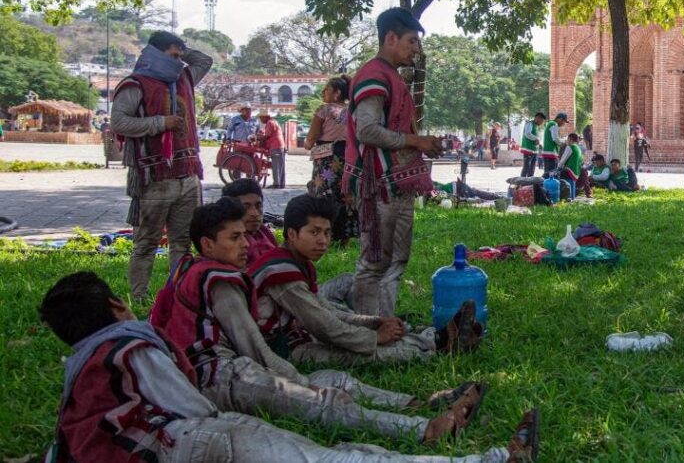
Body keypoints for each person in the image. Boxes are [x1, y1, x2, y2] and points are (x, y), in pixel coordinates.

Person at [39, 272, 539, 463]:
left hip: (196, 422)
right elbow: (227, 366)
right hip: (195, 423)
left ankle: (426, 419)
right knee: (325, 432)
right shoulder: (134, 340)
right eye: (239, 229)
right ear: (116, 307)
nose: (249, 235)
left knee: (331, 414)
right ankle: (486, 457)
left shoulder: (81, 365)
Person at [161, 197, 484, 445]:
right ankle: (427, 421)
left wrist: (372, 324)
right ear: (207, 244)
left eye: (245, 236)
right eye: (235, 238)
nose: (246, 245)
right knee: (322, 398)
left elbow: (323, 312)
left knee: (337, 380)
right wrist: (301, 379)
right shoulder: (222, 279)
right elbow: (260, 347)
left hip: (239, 364)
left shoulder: (202, 269)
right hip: (222, 372)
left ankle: (416, 403)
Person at [250, 195, 481, 370]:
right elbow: (324, 325)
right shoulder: (281, 271)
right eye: (314, 232)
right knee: (361, 352)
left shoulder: (300, 263)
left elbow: (326, 310)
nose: (323, 241)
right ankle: (437, 347)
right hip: (278, 350)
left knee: (366, 333)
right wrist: (373, 337)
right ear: (291, 234)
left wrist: (373, 322)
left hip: (297, 334)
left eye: (328, 233)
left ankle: (438, 336)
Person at [345, 7, 442, 317]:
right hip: (378, 186)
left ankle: (385, 323)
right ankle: (366, 328)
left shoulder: (393, 77)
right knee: (374, 262)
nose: (417, 50)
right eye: (412, 41)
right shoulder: (373, 75)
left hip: (398, 186)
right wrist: (417, 141)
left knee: (396, 260)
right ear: (390, 38)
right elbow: (367, 129)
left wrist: (422, 144)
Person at [111, 31, 212, 301]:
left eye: (181, 57)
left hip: (188, 174)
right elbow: (118, 122)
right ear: (154, 53)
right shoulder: (135, 84)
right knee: (146, 243)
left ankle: (178, 295)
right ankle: (140, 296)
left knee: (183, 242)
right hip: (154, 176)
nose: (178, 62)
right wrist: (159, 123)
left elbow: (205, 60)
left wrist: (181, 49)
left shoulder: (185, 78)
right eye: (173, 56)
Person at [303, 75, 358, 242]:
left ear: (337, 93)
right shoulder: (353, 111)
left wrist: (308, 143)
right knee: (345, 195)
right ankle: (345, 237)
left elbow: (311, 138)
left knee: (324, 195)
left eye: (327, 89)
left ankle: (325, 235)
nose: (323, 92)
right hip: (349, 157)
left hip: (327, 160)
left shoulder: (324, 110)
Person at [221, 178, 278, 263]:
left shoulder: (265, 233)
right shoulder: (229, 245)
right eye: (246, 207)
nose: (254, 213)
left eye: (258, 206)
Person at [257, 109, 286, 189]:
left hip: (276, 146)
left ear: (266, 117)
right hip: (279, 146)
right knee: (280, 165)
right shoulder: (273, 122)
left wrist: (257, 138)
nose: (260, 119)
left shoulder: (270, 123)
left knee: (276, 165)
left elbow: (266, 136)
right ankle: (281, 183)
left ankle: (277, 184)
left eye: (261, 117)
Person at [556, 133, 590, 197]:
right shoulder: (578, 148)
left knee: (558, 176)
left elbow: (563, 159)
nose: (566, 141)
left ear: (570, 139)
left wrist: (558, 168)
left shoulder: (570, 147)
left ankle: (567, 197)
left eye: (567, 139)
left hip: (569, 171)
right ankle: (572, 197)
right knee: (572, 184)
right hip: (577, 172)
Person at [519, 112, 545, 178]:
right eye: (541, 120)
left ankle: (529, 183)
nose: (542, 123)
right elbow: (527, 133)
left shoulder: (537, 127)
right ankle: (522, 183)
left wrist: (540, 143)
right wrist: (536, 138)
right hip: (528, 149)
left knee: (532, 169)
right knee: (526, 167)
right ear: (537, 118)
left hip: (534, 150)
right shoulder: (530, 124)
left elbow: (538, 137)